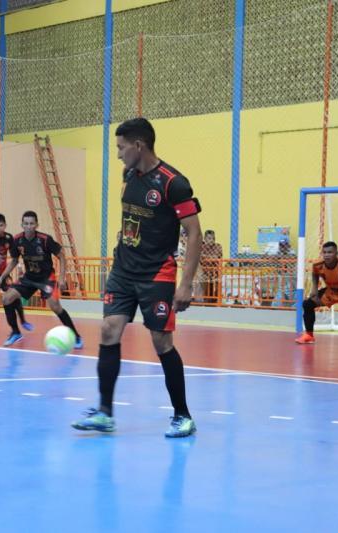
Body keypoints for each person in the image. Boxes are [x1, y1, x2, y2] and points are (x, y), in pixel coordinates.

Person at [72, 117, 202, 438]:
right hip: (123, 269)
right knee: (107, 329)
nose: (118, 154)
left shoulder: (174, 183)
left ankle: (182, 415)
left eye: (121, 147)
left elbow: (194, 233)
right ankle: (105, 412)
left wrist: (185, 283)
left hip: (157, 272)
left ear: (138, 145)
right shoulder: (129, 174)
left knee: (161, 341)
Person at [0, 210, 82, 348]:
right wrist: (2, 276)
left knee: (55, 306)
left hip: (46, 278)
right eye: (26, 223)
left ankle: (76, 337)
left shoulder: (45, 239)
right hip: (29, 277)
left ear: (36, 224)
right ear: (22, 225)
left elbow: (61, 256)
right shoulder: (17, 240)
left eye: (31, 223)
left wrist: (61, 278)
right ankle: (15, 332)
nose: (29, 226)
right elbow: (13, 261)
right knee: (6, 298)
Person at [198, 229, 222, 303]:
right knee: (205, 289)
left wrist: (205, 257)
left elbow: (218, 256)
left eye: (213, 238)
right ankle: (204, 300)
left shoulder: (218, 246)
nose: (212, 240)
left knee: (215, 290)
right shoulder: (201, 247)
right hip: (204, 272)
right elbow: (200, 257)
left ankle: (213, 300)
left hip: (215, 272)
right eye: (209, 238)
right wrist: (211, 257)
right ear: (205, 239)